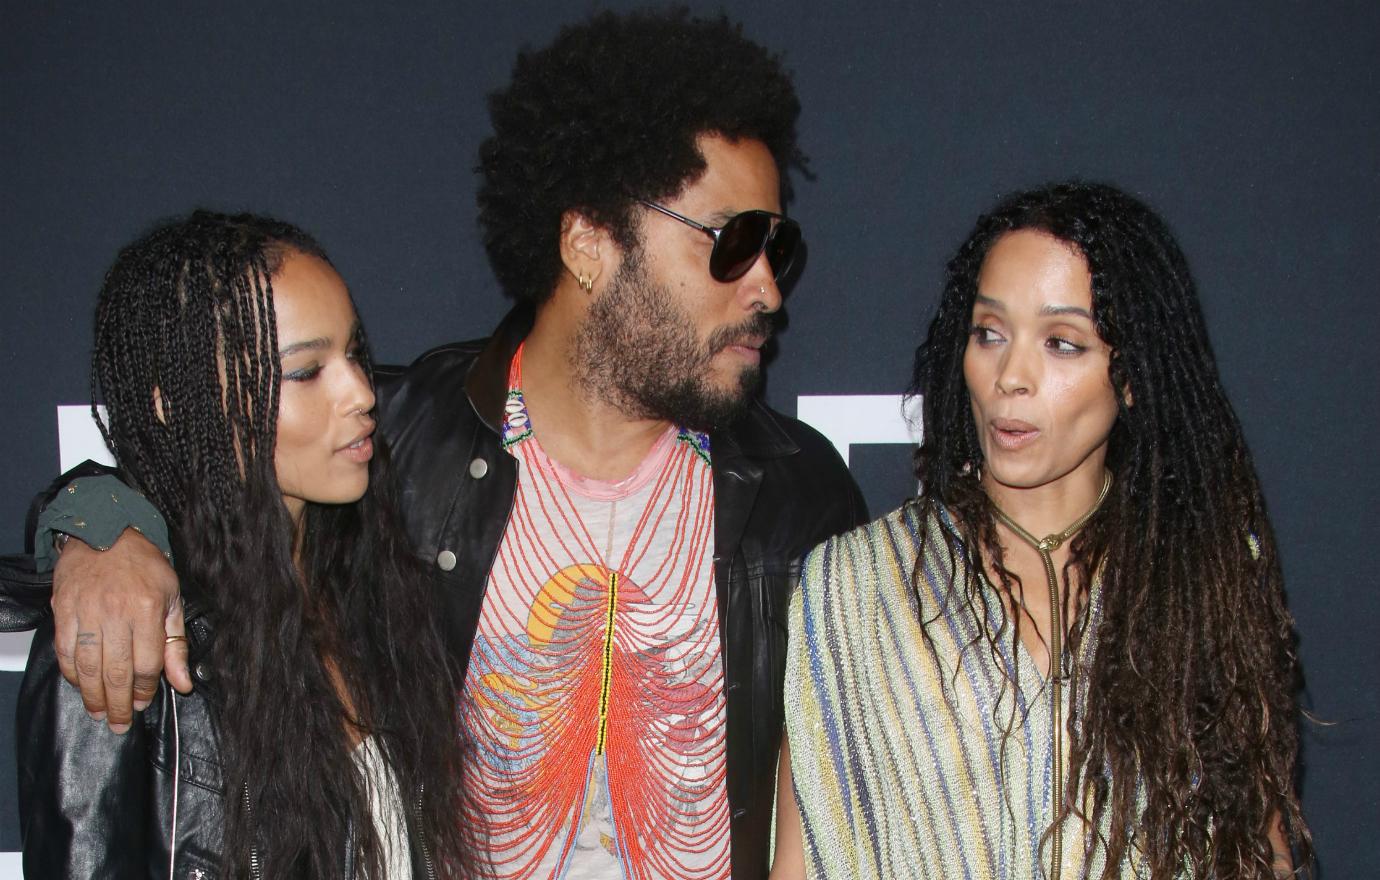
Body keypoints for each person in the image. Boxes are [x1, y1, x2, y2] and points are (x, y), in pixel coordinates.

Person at [28, 10, 866, 879]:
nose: (767, 287)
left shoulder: (800, 493)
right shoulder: (399, 440)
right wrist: (102, 525)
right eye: (732, 243)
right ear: (588, 244)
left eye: (778, 247)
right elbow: (199, 452)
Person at [770, 182, 1311, 878]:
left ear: (1133, 376)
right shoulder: (854, 586)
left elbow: (1255, 851)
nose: (1011, 377)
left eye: (1062, 343)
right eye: (990, 333)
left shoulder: (1201, 579)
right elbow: (803, 859)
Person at [7, 211, 467, 878]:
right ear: (179, 405)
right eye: (307, 370)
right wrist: (90, 526)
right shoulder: (126, 637)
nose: (363, 392)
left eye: (356, 353)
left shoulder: (375, 597)